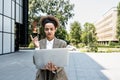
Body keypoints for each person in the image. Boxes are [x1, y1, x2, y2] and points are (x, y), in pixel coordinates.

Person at [32, 15, 68, 80]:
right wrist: (37, 47)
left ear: (55, 29)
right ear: (44, 30)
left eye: (51, 29)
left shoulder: (62, 43)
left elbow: (63, 62)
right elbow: (35, 62)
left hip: (58, 76)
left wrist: (55, 68)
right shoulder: (39, 43)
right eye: (47, 29)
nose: (49, 31)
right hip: (42, 76)